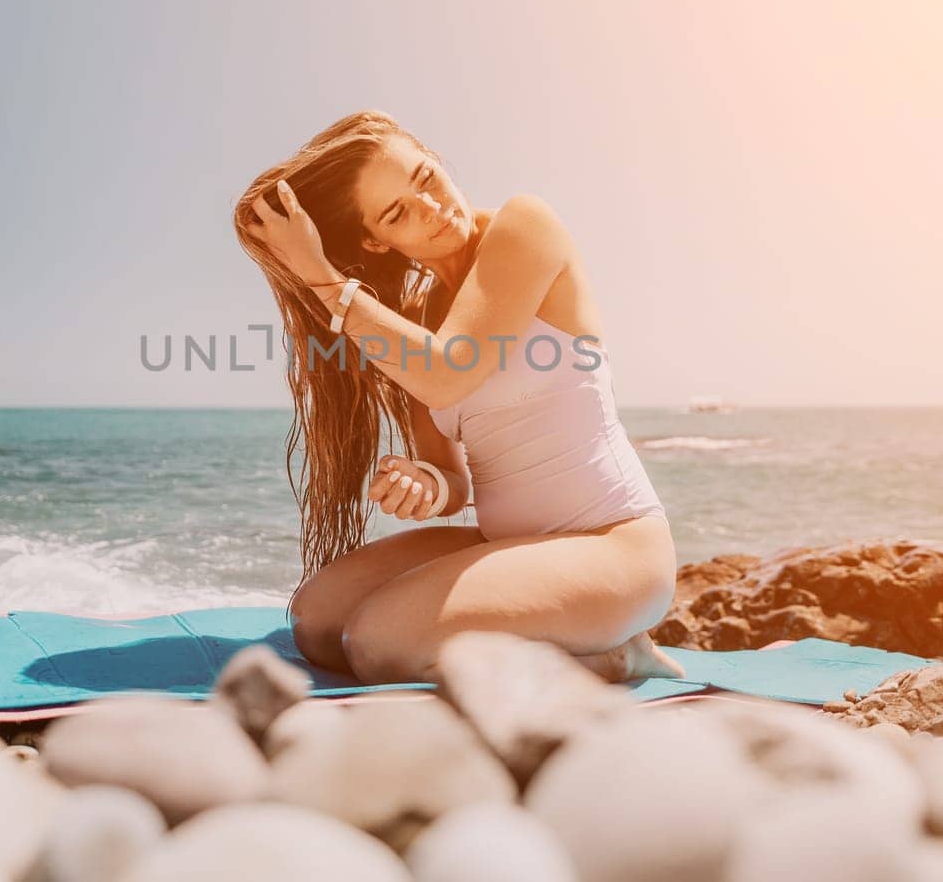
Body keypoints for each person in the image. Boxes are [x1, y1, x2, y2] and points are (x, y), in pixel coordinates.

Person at [233, 110, 683, 684]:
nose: (431, 206)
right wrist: (425, 482)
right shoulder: (413, 321)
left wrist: (319, 276)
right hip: (511, 546)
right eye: (398, 211)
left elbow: (450, 372)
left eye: (425, 178)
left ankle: (615, 656)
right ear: (376, 240)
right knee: (318, 622)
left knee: (379, 645)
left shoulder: (524, 225)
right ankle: (577, 641)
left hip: (615, 545)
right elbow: (453, 480)